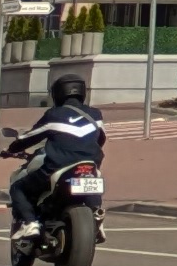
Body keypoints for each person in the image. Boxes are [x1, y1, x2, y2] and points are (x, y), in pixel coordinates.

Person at [7, 68, 108, 241]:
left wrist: (11, 149)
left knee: (19, 188)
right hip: (90, 164)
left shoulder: (54, 115)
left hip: (58, 166)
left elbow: (29, 138)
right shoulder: (95, 115)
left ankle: (30, 223)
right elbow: (101, 139)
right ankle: (96, 216)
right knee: (92, 181)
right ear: (82, 92)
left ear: (57, 94)